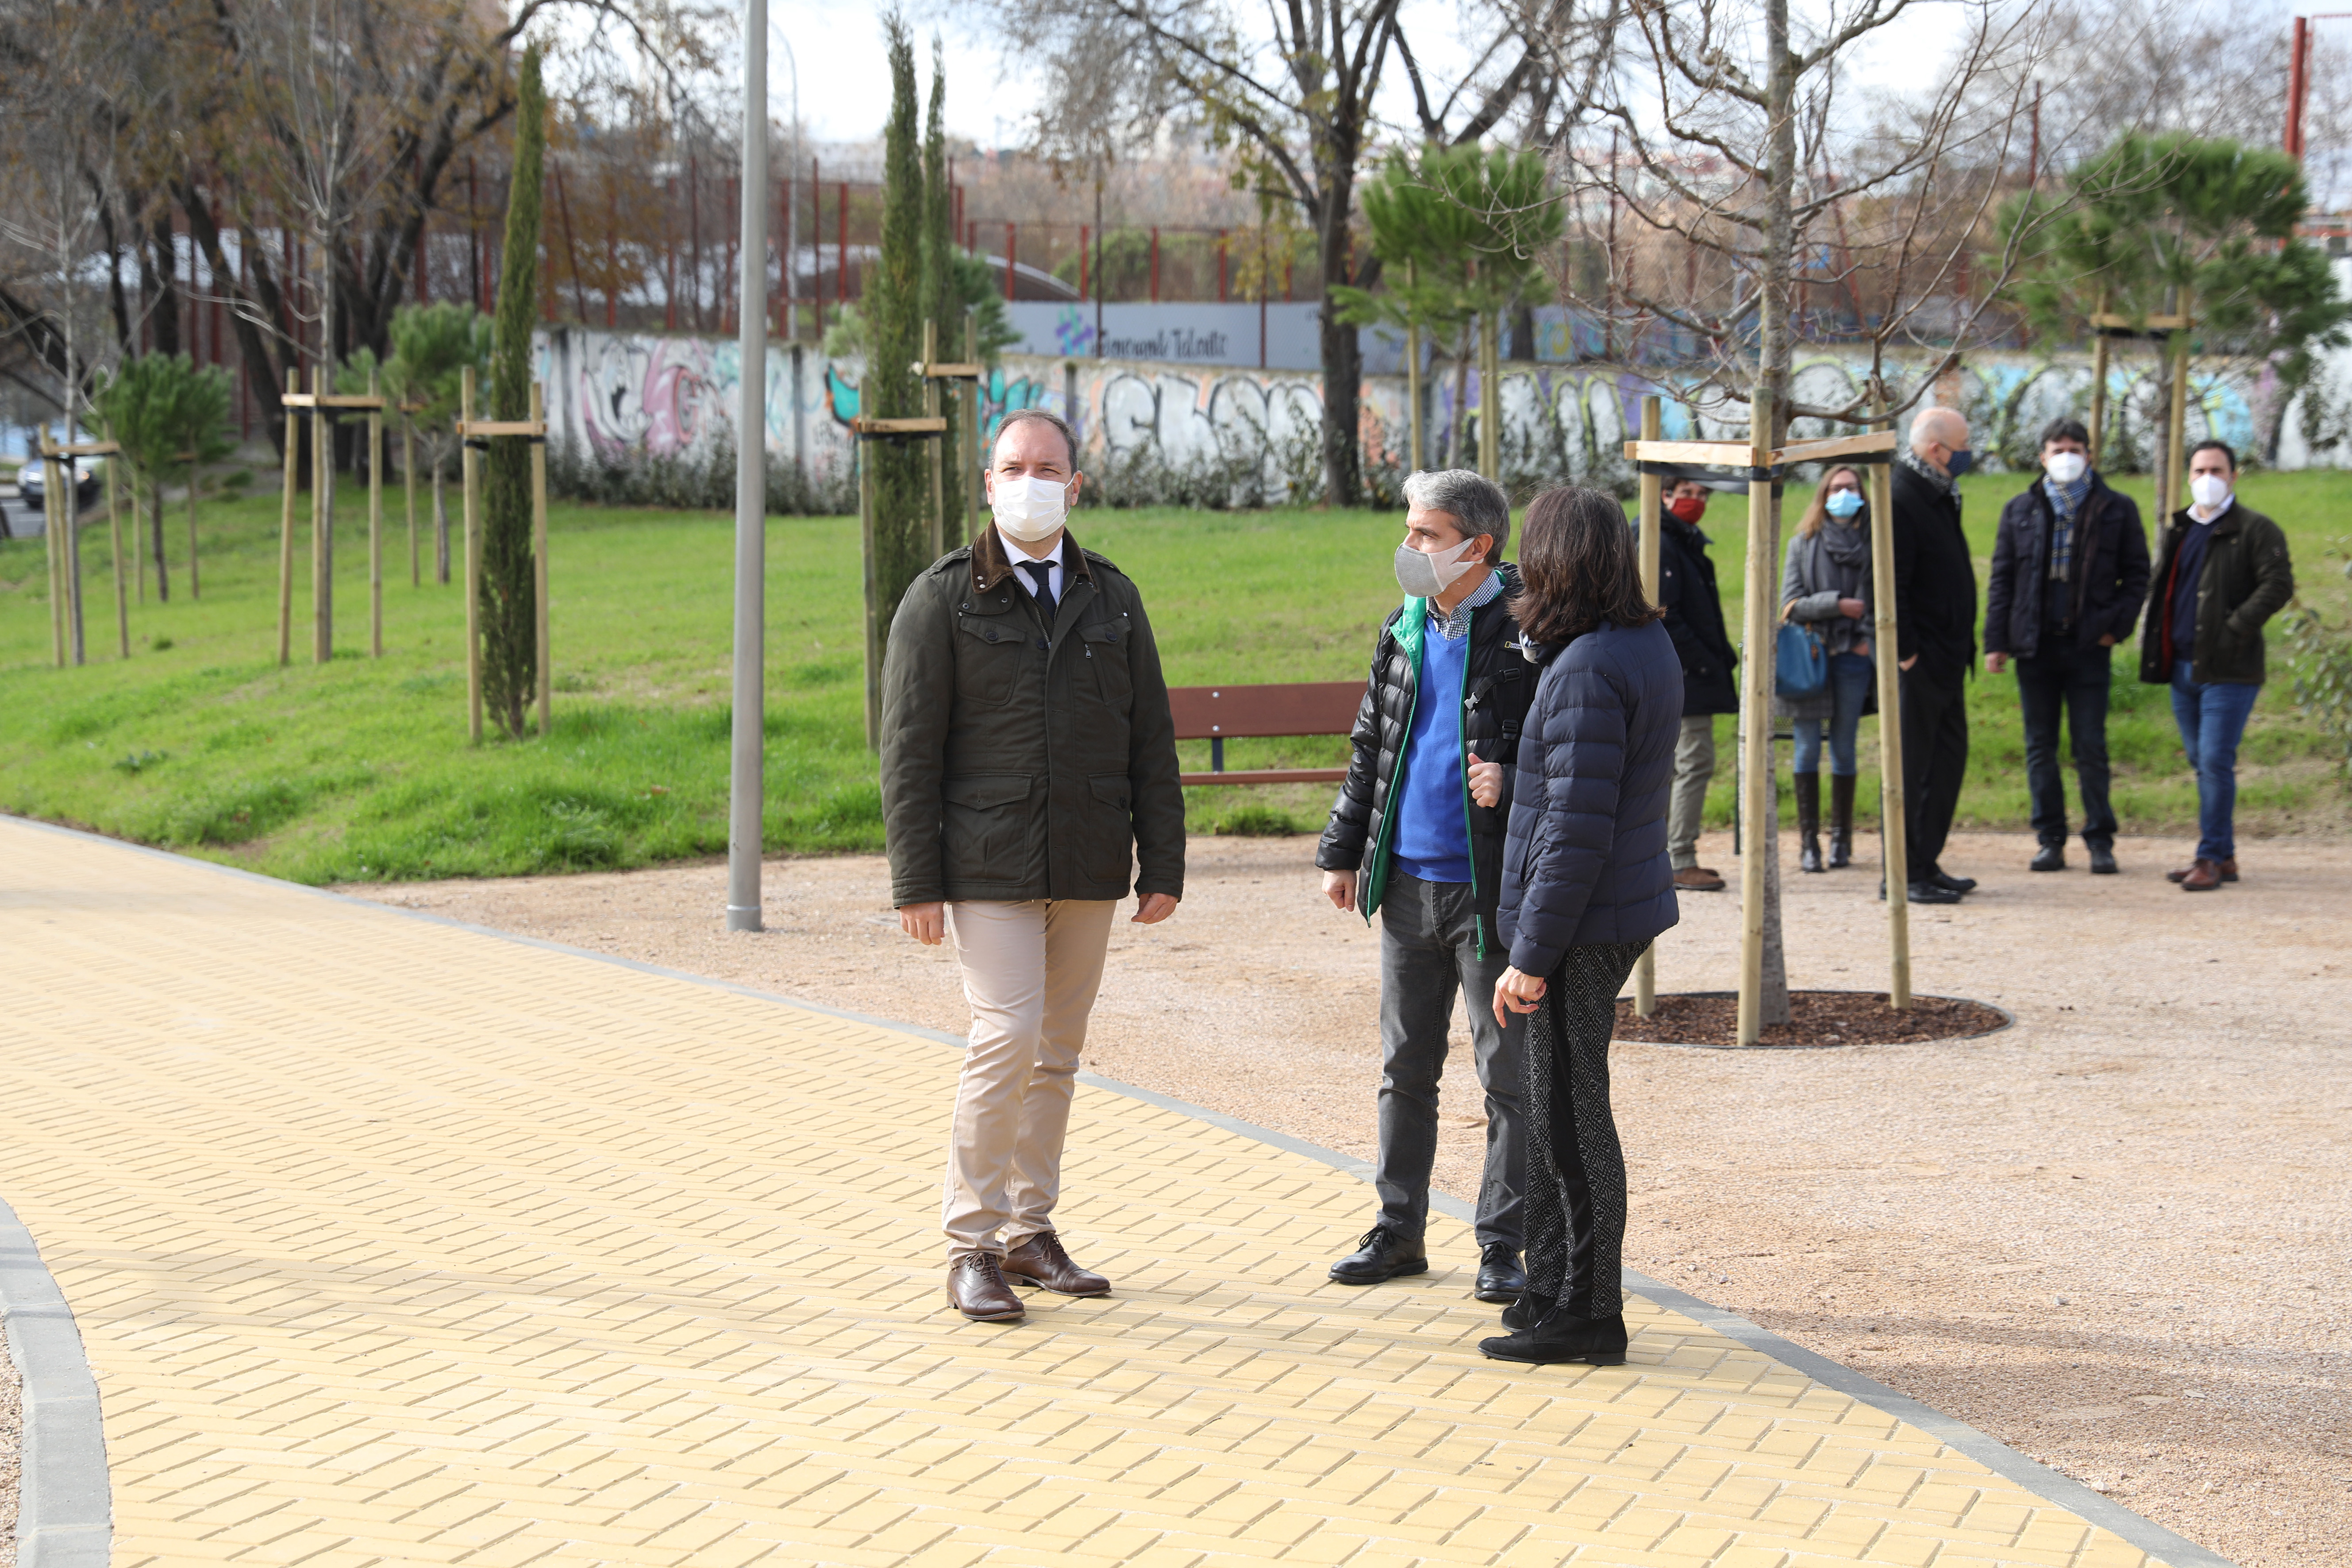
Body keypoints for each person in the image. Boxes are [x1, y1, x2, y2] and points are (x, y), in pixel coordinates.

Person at [880, 407, 1186, 1322]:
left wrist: (1163, 861)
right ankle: (970, 1244)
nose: (1029, 482)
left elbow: (1151, 738)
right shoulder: (941, 597)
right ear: (988, 483)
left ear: (1075, 486)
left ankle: (1028, 1230)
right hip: (988, 860)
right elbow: (907, 750)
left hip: (1088, 858)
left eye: (1047, 468)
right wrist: (915, 879)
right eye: (1012, 467)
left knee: (1055, 1053)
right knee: (1005, 1036)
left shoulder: (1113, 597)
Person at [1317, 470, 1535, 1306]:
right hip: (1406, 885)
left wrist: (1513, 779)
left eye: (1426, 534)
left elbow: (1562, 748)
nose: (1409, 547)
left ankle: (1502, 1243)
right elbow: (1371, 746)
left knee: (1506, 1076)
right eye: (1410, 530)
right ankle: (1396, 1229)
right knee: (1404, 1067)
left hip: (1489, 893)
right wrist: (1343, 851)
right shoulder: (1403, 626)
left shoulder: (1527, 632)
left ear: (1477, 546)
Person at [1478, 486, 1682, 1367]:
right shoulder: (1634, 643)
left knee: (1571, 1120)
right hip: (1603, 910)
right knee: (1553, 1107)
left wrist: (1530, 955)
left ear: (1555, 560)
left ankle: (1591, 1312)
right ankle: (1550, 1289)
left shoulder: (1588, 667)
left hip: (1581, 921)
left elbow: (1574, 830)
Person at [1984, 417, 2150, 876]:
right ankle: (2049, 839)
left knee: (2090, 745)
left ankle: (2099, 839)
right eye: (2057, 450)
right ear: (2042, 457)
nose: (2066, 457)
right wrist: (1996, 641)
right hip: (2034, 647)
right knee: (2039, 746)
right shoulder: (2019, 509)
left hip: (2087, 647)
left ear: (2089, 455)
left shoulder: (2116, 508)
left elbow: (2137, 575)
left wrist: (2114, 628)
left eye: (2074, 449)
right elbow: (2002, 579)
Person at [2140, 440, 2295, 892]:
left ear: (2233, 476)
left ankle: (2208, 857)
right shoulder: (2180, 529)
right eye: (2199, 471)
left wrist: (2233, 628)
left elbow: (2277, 585)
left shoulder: (2255, 529)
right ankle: (2223, 856)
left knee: (2213, 761)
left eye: (2216, 470)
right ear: (2188, 476)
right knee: (2201, 761)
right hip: (2181, 667)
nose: (2206, 478)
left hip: (2228, 669)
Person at [1889, 407, 1979, 905]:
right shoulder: (1903, 495)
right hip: (1920, 662)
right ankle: (1902, 872)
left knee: (1945, 764)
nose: (1969, 453)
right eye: (1963, 445)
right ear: (1935, 449)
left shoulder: (1940, 491)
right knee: (1913, 770)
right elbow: (1890, 584)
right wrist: (1907, 654)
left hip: (1947, 658)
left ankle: (1925, 860)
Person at [1778, 465, 1876, 874]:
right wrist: (1837, 605)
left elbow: (1885, 598)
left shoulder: (1876, 541)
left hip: (1854, 658)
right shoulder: (1802, 543)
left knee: (1844, 748)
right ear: (1823, 494)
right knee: (1806, 748)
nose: (1843, 494)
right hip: (1810, 659)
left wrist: (1866, 638)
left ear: (1863, 493)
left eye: (1851, 487)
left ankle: (1841, 840)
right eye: (1836, 488)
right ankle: (1809, 843)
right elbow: (1790, 604)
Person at [1648, 476, 1739, 893]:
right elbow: (1665, 614)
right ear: (1665, 494)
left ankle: (1665, 855)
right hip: (1684, 675)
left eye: (1703, 494)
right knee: (1693, 761)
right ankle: (1679, 857)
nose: (1696, 501)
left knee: (1674, 765)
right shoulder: (1662, 541)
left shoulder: (1678, 539)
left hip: (1681, 672)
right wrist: (1705, 662)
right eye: (1687, 493)